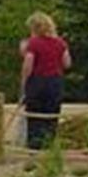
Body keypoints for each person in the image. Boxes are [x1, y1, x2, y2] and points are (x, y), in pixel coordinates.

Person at [18, 11, 71, 149]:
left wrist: (24, 83)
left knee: (34, 115)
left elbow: (28, 65)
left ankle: (35, 146)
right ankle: (49, 144)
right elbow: (67, 63)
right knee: (52, 115)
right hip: (55, 82)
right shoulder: (60, 43)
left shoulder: (33, 43)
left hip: (37, 81)